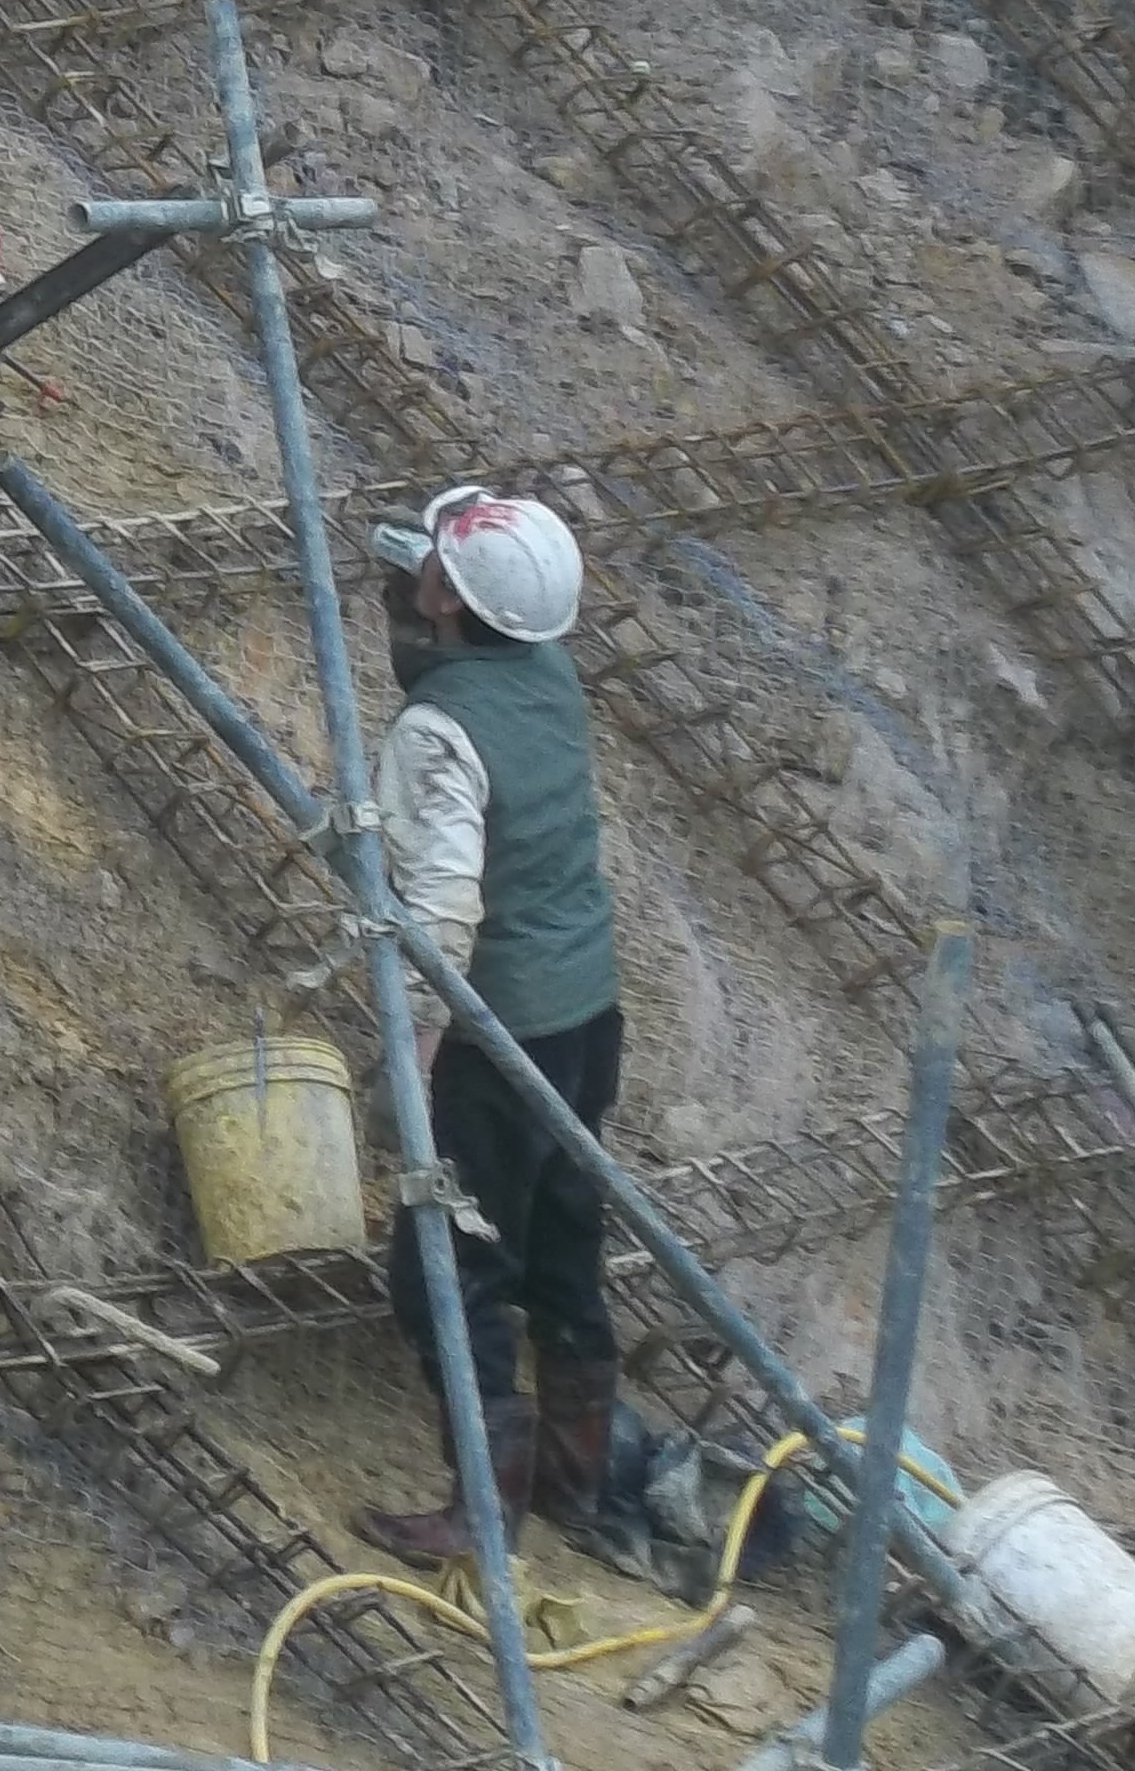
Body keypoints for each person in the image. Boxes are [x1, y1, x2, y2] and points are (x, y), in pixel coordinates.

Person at [354, 482, 627, 1568]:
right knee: (562, 1243)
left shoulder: (435, 734)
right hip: (586, 1017)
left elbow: (441, 906)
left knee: (446, 1265)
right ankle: (576, 1477)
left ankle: (481, 1510)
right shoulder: (548, 671)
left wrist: (419, 1050)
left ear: (451, 601)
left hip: (497, 1036)